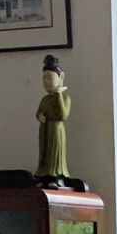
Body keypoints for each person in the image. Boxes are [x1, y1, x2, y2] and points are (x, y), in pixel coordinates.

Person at [35, 55, 70, 183]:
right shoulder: (45, 99)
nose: (46, 81)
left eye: (49, 77)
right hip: (45, 129)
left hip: (56, 130)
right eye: (44, 78)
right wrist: (40, 116)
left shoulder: (65, 98)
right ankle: (43, 174)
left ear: (60, 78)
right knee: (44, 152)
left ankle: (56, 175)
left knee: (55, 153)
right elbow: (38, 112)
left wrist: (58, 95)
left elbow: (63, 115)